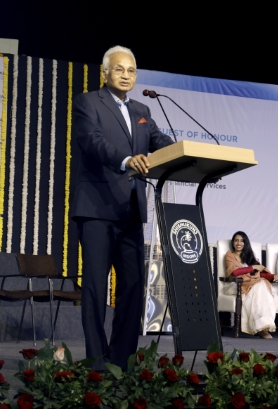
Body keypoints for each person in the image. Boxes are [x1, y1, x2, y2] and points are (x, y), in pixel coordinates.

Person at [71, 46, 174, 370]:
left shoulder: (142, 109)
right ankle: (97, 362)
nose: (126, 75)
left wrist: (193, 155)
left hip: (131, 212)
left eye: (131, 70)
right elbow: (93, 141)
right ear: (105, 73)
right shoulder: (88, 102)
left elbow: (160, 143)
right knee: (95, 287)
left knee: (132, 286)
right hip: (97, 209)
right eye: (119, 69)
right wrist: (127, 159)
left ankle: (122, 360)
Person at [223, 231, 278, 338]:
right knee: (260, 286)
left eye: (242, 241)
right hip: (237, 285)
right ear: (233, 242)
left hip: (254, 284)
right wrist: (253, 267)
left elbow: (259, 274)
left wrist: (273, 276)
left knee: (261, 286)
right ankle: (262, 328)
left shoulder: (250, 257)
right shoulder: (229, 256)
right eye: (236, 240)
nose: (239, 243)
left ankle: (262, 326)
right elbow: (235, 272)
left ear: (246, 243)